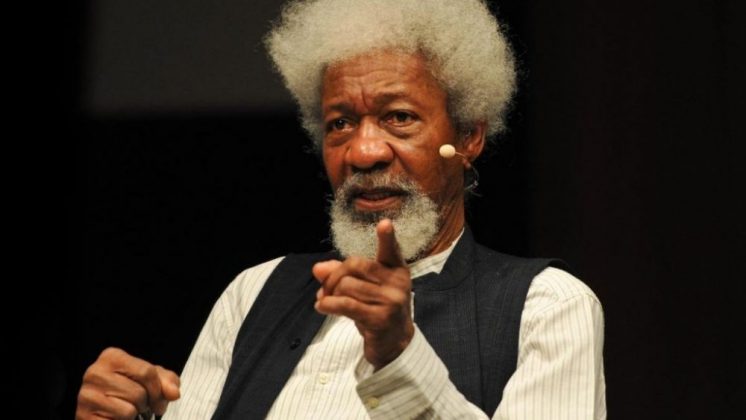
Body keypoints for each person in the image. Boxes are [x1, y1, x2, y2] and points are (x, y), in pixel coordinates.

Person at [76, 0, 606, 418]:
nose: (363, 151)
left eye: (398, 117)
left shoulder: (546, 308)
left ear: (468, 137)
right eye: (340, 123)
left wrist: (398, 355)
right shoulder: (253, 294)